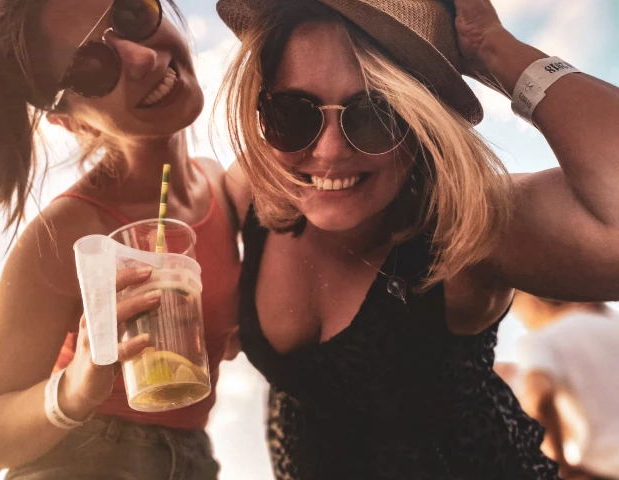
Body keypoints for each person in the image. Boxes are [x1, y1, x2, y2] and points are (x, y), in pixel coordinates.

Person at [216, 0, 619, 478]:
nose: (328, 150)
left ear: (422, 121)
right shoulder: (262, 184)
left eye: (376, 114)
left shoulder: (464, 223)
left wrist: (496, 51)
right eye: (292, 113)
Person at [0, 0, 240, 478]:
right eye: (92, 68)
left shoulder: (218, 183)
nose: (143, 58)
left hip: (195, 459)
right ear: (67, 120)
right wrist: (77, 385)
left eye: (132, 13)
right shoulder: (67, 233)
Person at [512, 292, 619, 480]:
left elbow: (539, 398)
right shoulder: (614, 323)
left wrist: (561, 464)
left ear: (532, 302)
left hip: (605, 467)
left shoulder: (540, 340)